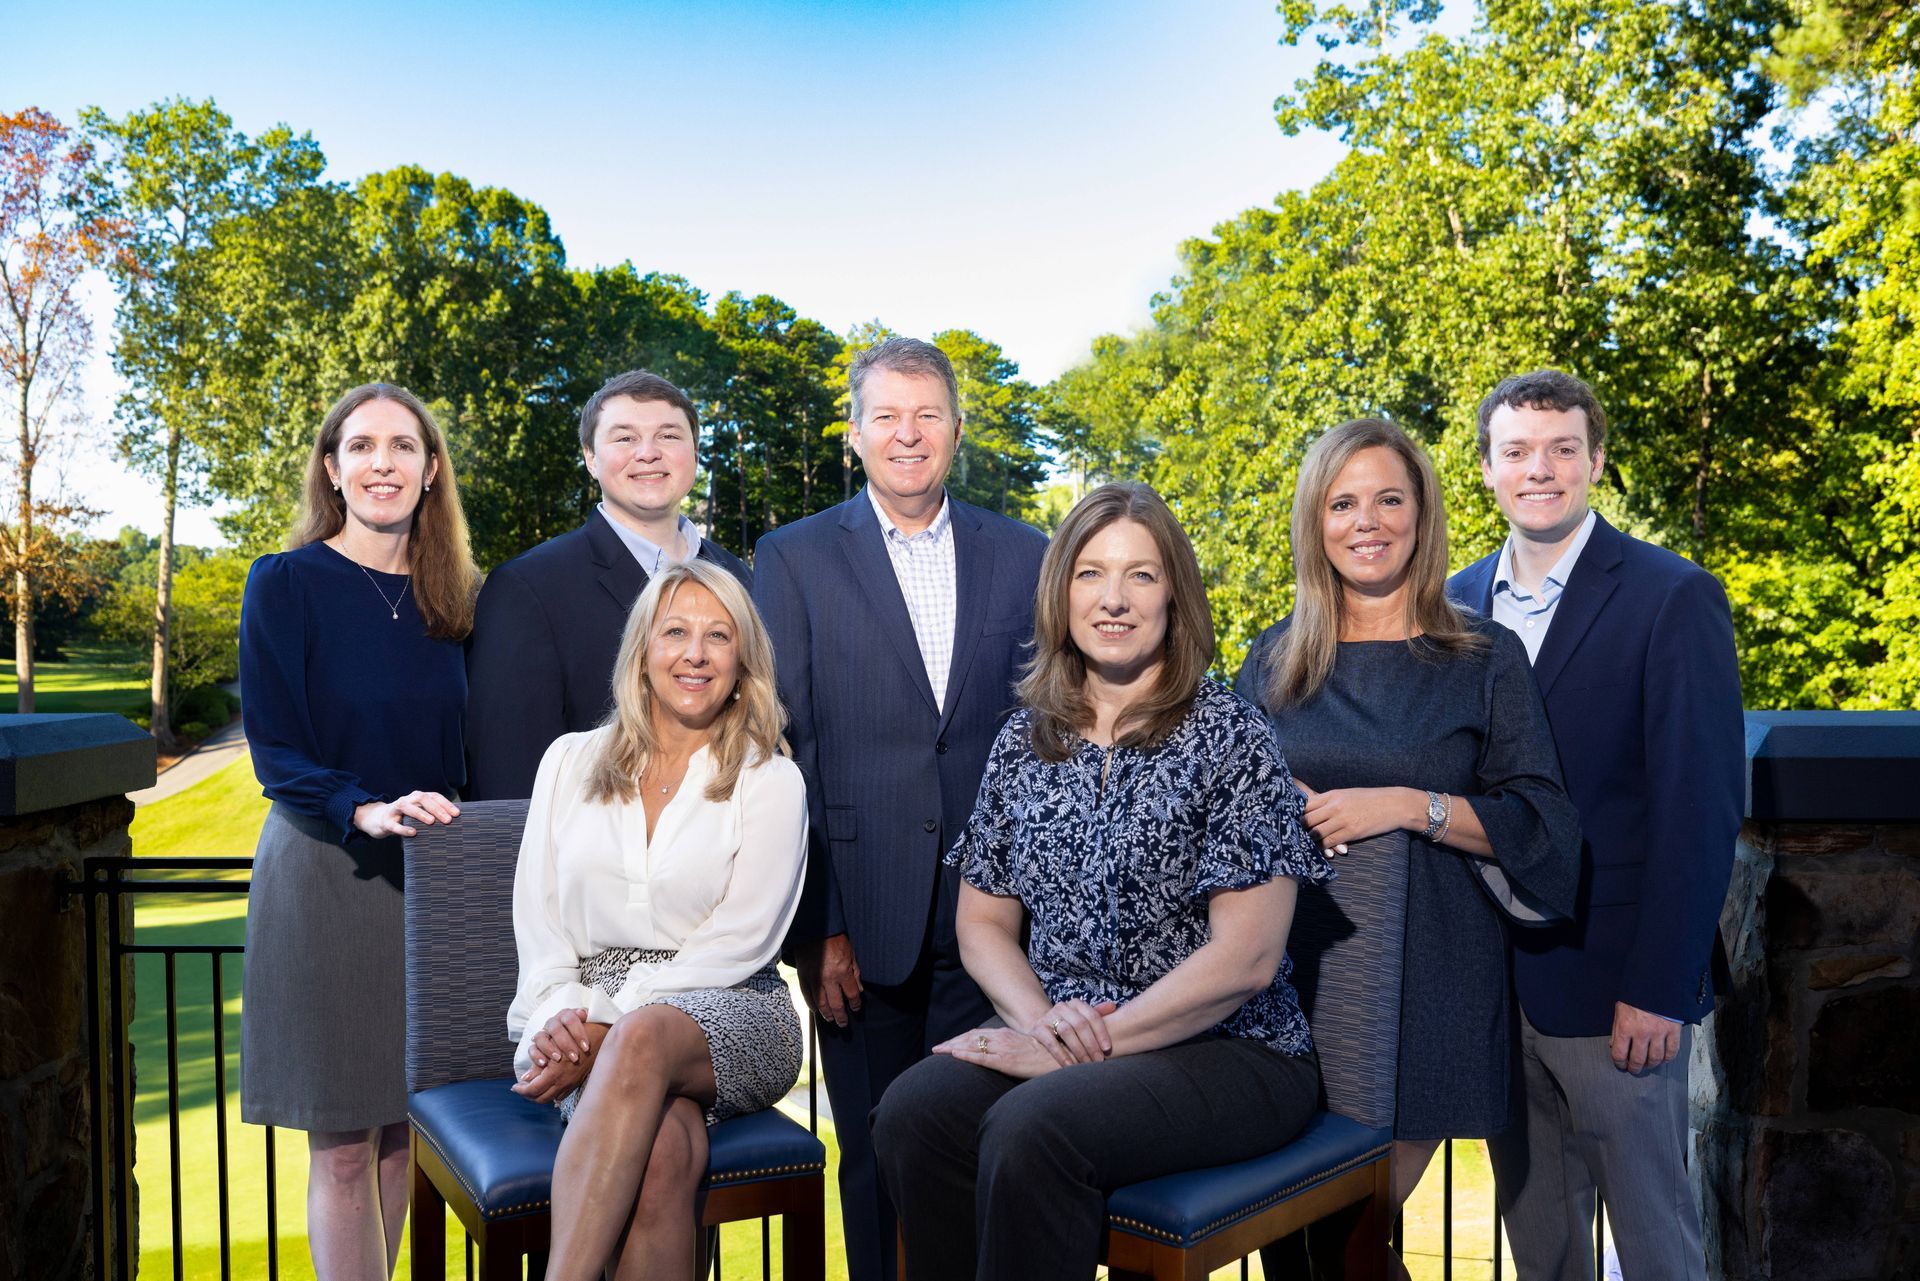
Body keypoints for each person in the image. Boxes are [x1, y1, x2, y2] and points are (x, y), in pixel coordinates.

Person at [870, 482, 1330, 1281]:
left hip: (1232, 1050)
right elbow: (980, 925)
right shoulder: (1024, 739)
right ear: (1061, 593)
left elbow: (1248, 959)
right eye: (1090, 573)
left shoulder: (1232, 736)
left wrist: (1088, 1047)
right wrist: (1048, 1025)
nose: (1113, 598)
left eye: (1141, 576)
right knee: (914, 1113)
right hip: (1064, 1030)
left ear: (1175, 597)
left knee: (1033, 1127)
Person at [1235, 417, 1580, 1272]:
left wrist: (1408, 804)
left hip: (1431, 987)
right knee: (1292, 1247)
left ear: (1422, 516)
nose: (1368, 520)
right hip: (1288, 983)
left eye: (1391, 498)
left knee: (1351, 1235)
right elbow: (1222, 815)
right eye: (1344, 502)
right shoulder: (1272, 661)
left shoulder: (1483, 657)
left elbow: (1543, 822)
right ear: (1315, 521)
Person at [751, 336, 1048, 1281]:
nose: (907, 434)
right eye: (887, 415)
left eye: (927, 414)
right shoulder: (792, 558)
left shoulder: (1027, 554)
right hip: (860, 927)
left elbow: (1050, 731)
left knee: (998, 1149)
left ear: (957, 429)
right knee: (875, 1154)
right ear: (854, 433)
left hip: (1000, 918)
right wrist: (820, 929)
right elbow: (782, 749)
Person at [1452, 371, 1743, 1281]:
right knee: (1540, 1251)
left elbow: (1700, 808)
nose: (1540, 469)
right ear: (1489, 471)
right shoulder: (1453, 604)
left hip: (1619, 992)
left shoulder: (1672, 595)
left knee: (1657, 1247)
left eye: (1562, 448)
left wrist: (1660, 984)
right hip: (1492, 990)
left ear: (1596, 462)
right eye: (1517, 452)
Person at [506, 558, 808, 1281]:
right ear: (643, 652)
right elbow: (539, 920)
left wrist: (613, 1023)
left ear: (743, 664)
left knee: (642, 1035)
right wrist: (562, 1013)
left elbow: (741, 937)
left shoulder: (771, 778)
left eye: (718, 635)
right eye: (675, 631)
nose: (695, 653)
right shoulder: (568, 762)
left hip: (736, 1002)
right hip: (583, 1008)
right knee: (665, 1154)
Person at [239, 383, 479, 1281]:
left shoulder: (456, 601)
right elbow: (276, 747)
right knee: (343, 1145)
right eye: (363, 446)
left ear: (429, 470)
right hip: (328, 870)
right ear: (333, 470)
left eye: (404, 446)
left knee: (397, 1140)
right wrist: (363, 806)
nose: (384, 462)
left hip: (431, 887)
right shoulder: (287, 582)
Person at [466, 369, 751, 801]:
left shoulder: (742, 579)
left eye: (669, 436)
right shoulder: (526, 589)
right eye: (624, 438)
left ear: (695, 453)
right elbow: (509, 775)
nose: (648, 453)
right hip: (593, 856)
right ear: (591, 458)